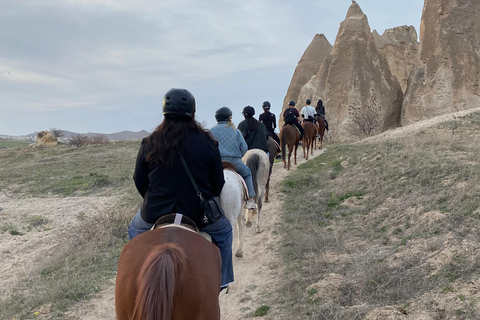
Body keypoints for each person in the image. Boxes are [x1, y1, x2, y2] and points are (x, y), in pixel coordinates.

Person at [128, 88, 233, 290]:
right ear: (193, 114)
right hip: (197, 212)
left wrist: (153, 200)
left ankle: (135, 276)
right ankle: (222, 281)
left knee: (134, 229)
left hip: (155, 211)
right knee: (225, 231)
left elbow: (139, 180)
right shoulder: (208, 142)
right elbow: (218, 182)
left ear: (164, 113)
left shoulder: (149, 142)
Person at [210, 107, 258, 210]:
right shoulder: (235, 131)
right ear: (229, 118)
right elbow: (244, 147)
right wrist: (239, 155)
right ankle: (250, 200)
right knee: (247, 173)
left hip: (217, 163)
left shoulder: (211, 131)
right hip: (234, 161)